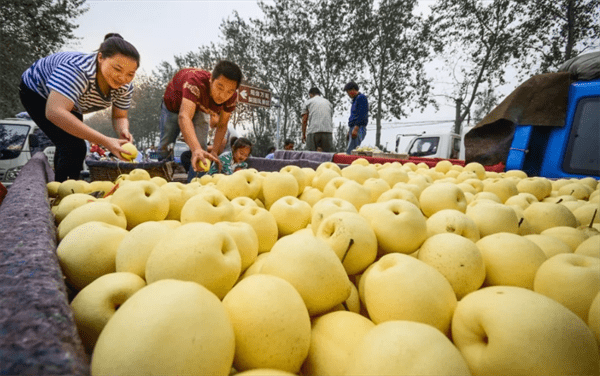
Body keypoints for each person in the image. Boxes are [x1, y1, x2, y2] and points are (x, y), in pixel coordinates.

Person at [19, 33, 140, 182]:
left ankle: (60, 186)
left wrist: (123, 131)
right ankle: (65, 195)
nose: (122, 78)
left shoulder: (125, 87)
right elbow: (54, 111)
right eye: (117, 69)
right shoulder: (78, 70)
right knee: (74, 146)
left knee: (68, 145)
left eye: (130, 74)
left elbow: (119, 116)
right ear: (100, 57)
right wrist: (105, 140)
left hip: (73, 104)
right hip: (37, 92)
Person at [158, 60, 243, 182]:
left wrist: (214, 151)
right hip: (172, 106)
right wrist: (195, 149)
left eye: (230, 91)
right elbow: (184, 116)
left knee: (202, 148)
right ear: (211, 80)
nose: (223, 95)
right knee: (166, 145)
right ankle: (161, 179)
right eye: (220, 87)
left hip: (199, 108)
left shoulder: (232, 98)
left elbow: (222, 124)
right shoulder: (195, 83)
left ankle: (196, 184)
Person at [301, 87, 334, 152]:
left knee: (310, 155)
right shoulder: (328, 103)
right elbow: (330, 116)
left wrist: (303, 134)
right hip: (327, 131)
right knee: (328, 156)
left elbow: (304, 120)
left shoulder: (308, 102)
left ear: (310, 94)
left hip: (313, 131)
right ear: (319, 94)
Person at [343, 81, 368, 154]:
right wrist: (349, 131)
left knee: (352, 151)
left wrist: (356, 129)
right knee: (351, 148)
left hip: (358, 127)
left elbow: (362, 114)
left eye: (348, 92)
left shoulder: (361, 98)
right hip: (353, 127)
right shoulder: (355, 100)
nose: (348, 94)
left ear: (353, 90)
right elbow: (354, 116)